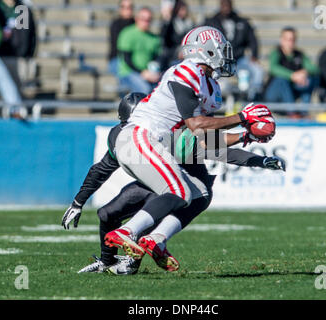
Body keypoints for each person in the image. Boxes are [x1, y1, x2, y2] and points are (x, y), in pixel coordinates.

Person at [101, 26, 273, 271]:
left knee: (200, 192)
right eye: (221, 50)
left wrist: (246, 136)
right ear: (205, 51)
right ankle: (126, 231)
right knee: (179, 191)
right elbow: (196, 124)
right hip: (141, 136)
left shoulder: (209, 87)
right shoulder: (187, 71)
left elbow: (204, 141)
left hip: (160, 143)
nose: (226, 55)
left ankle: (155, 239)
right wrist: (242, 117)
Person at [62, 93, 285, 275]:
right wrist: (78, 202)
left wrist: (257, 156)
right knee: (106, 214)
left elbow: (218, 150)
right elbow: (101, 170)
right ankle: (107, 262)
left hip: (180, 188)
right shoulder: (122, 137)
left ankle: (131, 260)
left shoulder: (172, 136)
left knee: (159, 205)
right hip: (153, 185)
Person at [204, 0, 264, 100]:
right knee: (220, 84)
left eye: (228, 4)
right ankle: (215, 100)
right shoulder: (211, 22)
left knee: (257, 70)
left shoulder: (242, 22)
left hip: (238, 59)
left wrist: (254, 56)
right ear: (220, 5)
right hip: (218, 60)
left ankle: (251, 98)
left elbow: (253, 40)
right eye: (224, 4)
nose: (226, 7)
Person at [117, 6, 161, 94]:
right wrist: (142, 72)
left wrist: (153, 73)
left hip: (147, 73)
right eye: (143, 19)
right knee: (145, 89)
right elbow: (126, 59)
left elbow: (156, 58)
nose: (146, 22)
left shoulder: (154, 38)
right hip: (129, 72)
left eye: (148, 19)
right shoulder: (128, 33)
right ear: (137, 19)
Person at [159, 0, 194, 72]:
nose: (180, 11)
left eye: (182, 9)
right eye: (178, 9)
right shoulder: (170, 23)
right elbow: (166, 39)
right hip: (173, 56)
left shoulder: (190, 23)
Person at [108, 0, 134, 76]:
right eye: (124, 7)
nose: (128, 10)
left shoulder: (135, 23)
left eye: (130, 7)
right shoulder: (115, 24)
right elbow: (120, 46)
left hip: (132, 59)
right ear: (120, 9)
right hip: (118, 59)